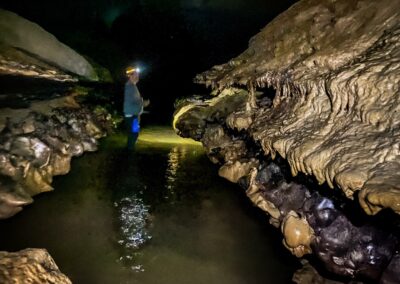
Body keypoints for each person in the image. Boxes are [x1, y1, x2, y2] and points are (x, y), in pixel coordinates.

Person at [123, 66, 149, 150]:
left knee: (134, 133)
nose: (137, 77)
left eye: (138, 75)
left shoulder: (132, 86)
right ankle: (129, 154)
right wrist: (143, 103)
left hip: (134, 115)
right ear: (130, 76)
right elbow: (133, 100)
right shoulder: (130, 86)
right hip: (131, 116)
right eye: (135, 75)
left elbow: (134, 100)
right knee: (133, 134)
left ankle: (130, 153)